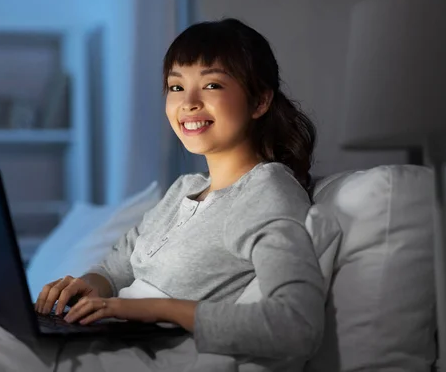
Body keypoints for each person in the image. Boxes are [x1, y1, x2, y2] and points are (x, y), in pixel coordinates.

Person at [35, 18, 325, 360]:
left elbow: (294, 326)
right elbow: (117, 266)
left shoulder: (267, 192)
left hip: (141, 356)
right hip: (102, 341)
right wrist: (85, 287)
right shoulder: (185, 188)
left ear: (260, 101)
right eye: (175, 87)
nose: (188, 102)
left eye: (212, 85)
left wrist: (153, 309)